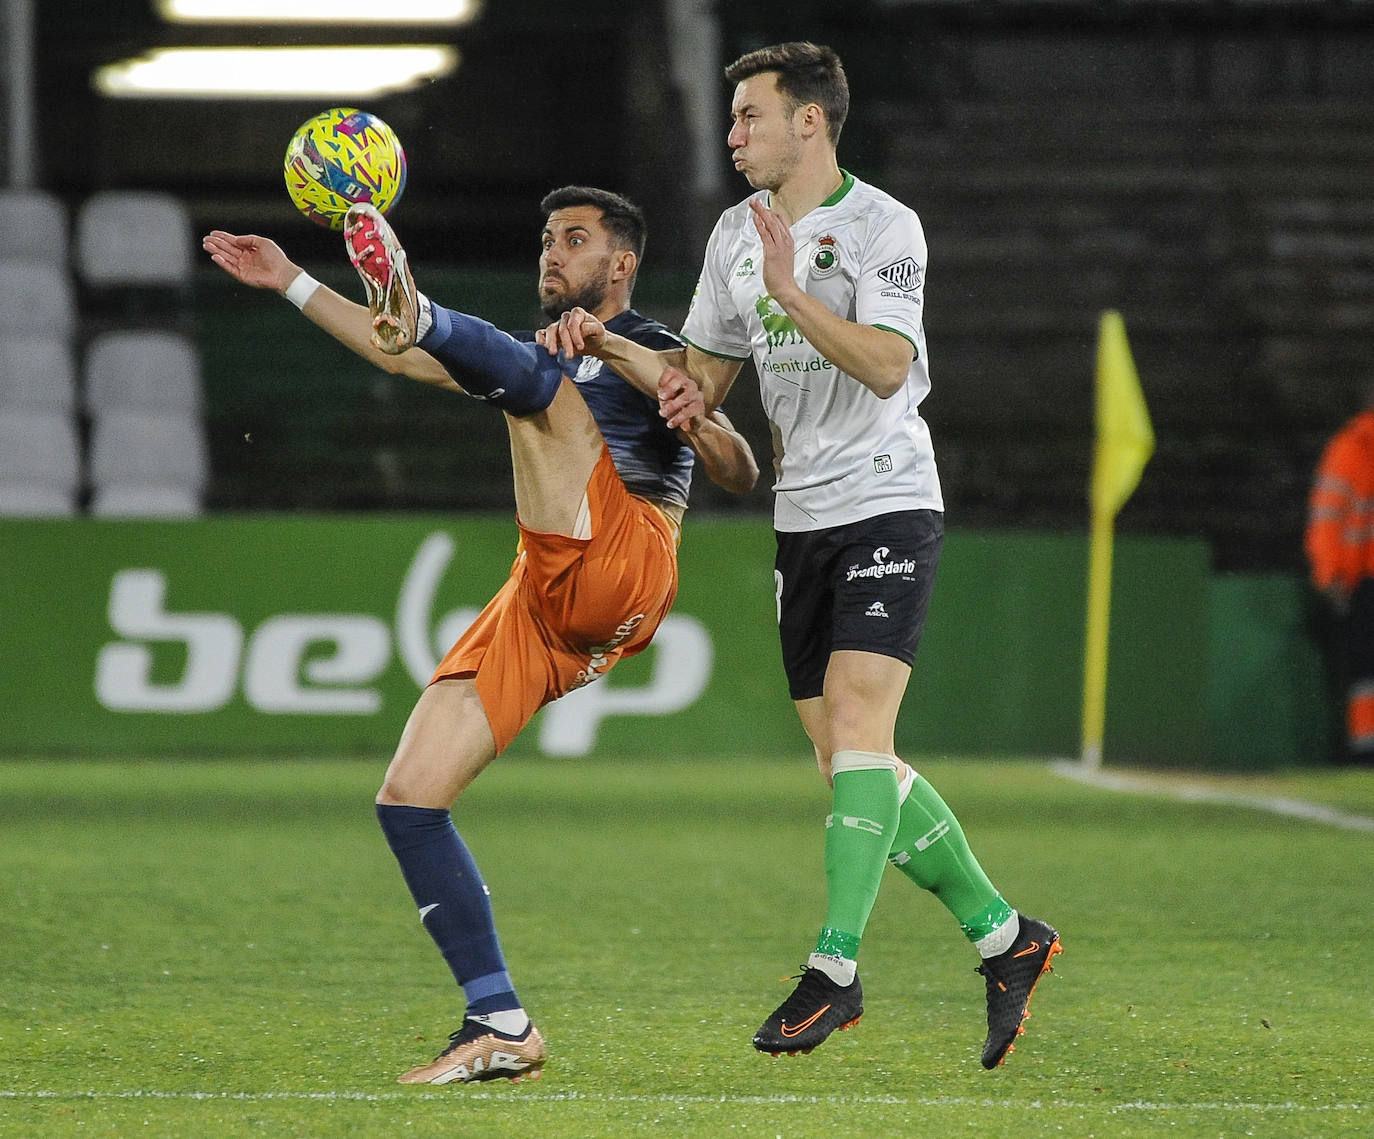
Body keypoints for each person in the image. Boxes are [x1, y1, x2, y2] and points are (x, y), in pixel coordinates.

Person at [547, 42, 1061, 1070]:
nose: (734, 135)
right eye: (736, 119)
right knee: (849, 764)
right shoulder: (737, 234)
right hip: (802, 518)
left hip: (888, 501)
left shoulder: (884, 226)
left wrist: (792, 289)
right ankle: (1010, 938)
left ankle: (834, 968)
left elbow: (886, 365)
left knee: (865, 732)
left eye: (750, 117)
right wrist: (614, 348)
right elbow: (700, 378)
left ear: (810, 124)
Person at [203, 185, 758, 1085]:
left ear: (621, 264)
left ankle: (415, 297)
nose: (551, 252)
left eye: (573, 239)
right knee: (410, 797)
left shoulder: (655, 347)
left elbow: (740, 464)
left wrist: (688, 410)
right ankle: (499, 1021)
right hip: (544, 595)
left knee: (537, 395)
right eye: (545, 237)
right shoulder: (531, 358)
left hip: (629, 554)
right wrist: (294, 280)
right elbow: (405, 359)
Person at [1305, 382, 1374, 763]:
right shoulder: (1352, 449)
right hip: (1365, 581)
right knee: (1366, 671)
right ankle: (1366, 754)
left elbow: (1327, 518)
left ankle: (1366, 753)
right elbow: (1328, 520)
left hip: (1362, 581)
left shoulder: (1350, 448)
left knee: (1366, 674)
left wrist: (1329, 574)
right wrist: (1331, 574)